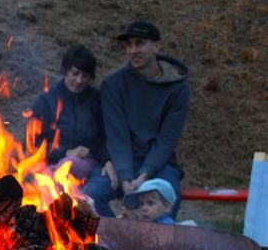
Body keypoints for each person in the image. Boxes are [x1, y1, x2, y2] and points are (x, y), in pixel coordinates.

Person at [101, 20, 191, 218]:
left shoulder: (179, 88)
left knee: (167, 198)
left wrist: (143, 177)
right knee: (91, 194)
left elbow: (167, 141)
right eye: (129, 45)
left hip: (158, 162)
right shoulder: (113, 84)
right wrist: (126, 179)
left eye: (139, 43)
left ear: (157, 47)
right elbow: (118, 137)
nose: (133, 50)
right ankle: (106, 243)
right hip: (122, 159)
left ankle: (158, 247)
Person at [27, 44, 116, 218]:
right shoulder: (46, 102)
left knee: (90, 197)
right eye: (75, 73)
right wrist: (66, 151)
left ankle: (110, 236)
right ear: (65, 71)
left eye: (85, 76)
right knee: (55, 196)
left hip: (96, 165)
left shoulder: (97, 100)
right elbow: (34, 145)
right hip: (55, 165)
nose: (79, 80)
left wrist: (103, 158)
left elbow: (108, 136)